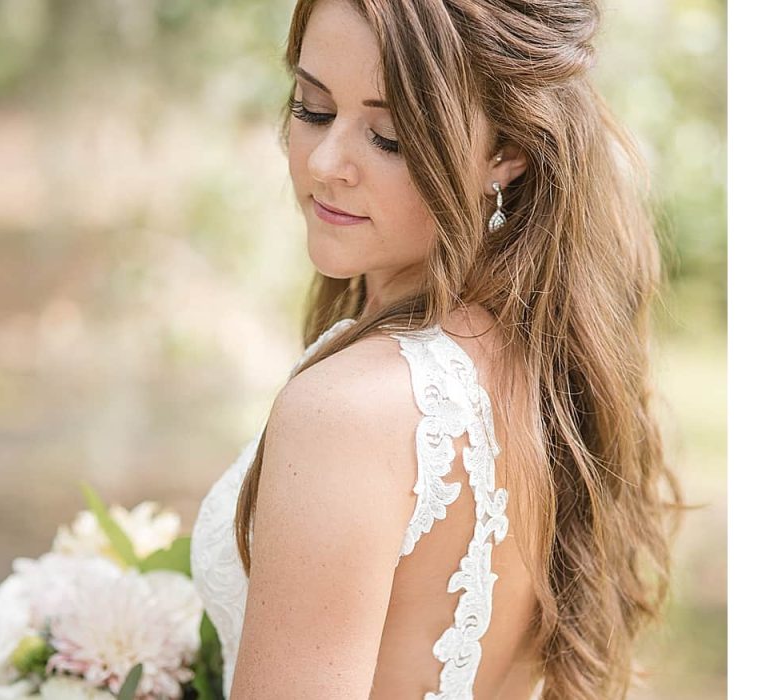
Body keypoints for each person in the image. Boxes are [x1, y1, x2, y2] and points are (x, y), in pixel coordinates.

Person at [187, 0, 681, 698]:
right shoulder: (540, 359)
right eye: (313, 108)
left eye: (388, 137)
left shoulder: (347, 412)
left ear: (505, 152)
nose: (327, 163)